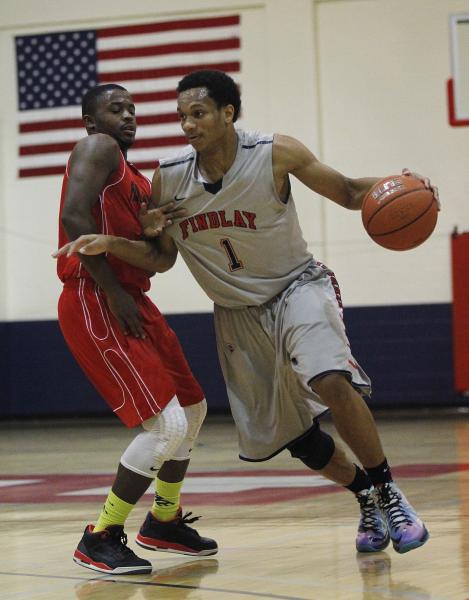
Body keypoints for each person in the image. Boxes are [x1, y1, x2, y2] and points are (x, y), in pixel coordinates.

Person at [57, 70, 437, 555]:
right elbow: (162, 258)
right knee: (297, 437)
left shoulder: (275, 152)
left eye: (198, 114)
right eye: (180, 117)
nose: (187, 125)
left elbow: (347, 190)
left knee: (330, 379)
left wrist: (403, 184)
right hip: (236, 312)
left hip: (297, 287)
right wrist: (120, 240)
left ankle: (388, 492)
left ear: (228, 113)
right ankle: (364, 495)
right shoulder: (169, 178)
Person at [53, 83, 217, 575]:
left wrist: (149, 232)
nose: (128, 116)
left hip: (131, 297)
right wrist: (114, 291)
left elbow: (163, 262)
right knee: (164, 425)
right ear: (90, 121)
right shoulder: (96, 148)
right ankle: (100, 534)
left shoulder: (140, 183)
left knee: (192, 409)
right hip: (94, 295)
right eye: (115, 108)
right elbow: (72, 217)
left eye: (132, 109)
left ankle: (163, 521)